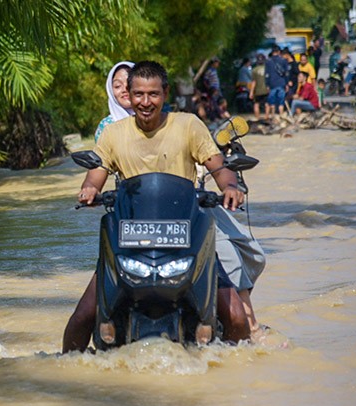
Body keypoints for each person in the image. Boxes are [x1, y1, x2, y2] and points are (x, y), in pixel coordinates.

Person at [63, 61, 263, 352]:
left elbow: (218, 166)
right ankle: (68, 369)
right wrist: (90, 189)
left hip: (187, 234)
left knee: (235, 315)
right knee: (82, 316)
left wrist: (230, 187)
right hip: (128, 238)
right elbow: (96, 173)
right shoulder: (113, 133)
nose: (146, 102)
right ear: (129, 96)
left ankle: (233, 373)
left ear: (165, 93)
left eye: (153, 94)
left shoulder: (188, 125)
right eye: (139, 94)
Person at [94, 61, 135, 142]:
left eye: (129, 83)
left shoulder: (159, 116)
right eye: (118, 86)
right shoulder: (106, 126)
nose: (125, 89)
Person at [264, 46, 289, 116]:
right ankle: (281, 116)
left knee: (272, 102)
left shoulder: (268, 62)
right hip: (281, 83)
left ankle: (273, 116)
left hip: (272, 84)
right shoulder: (283, 61)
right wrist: (286, 83)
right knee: (281, 102)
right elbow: (286, 74)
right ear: (279, 52)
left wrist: (267, 85)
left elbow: (266, 75)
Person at [249, 54, 270, 120]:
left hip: (257, 90)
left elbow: (253, 82)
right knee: (267, 104)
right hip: (266, 89)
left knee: (256, 104)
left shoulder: (254, 70)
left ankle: (257, 118)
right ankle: (266, 117)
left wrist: (251, 92)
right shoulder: (267, 69)